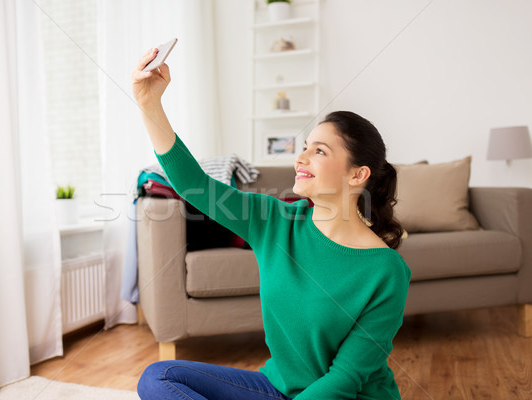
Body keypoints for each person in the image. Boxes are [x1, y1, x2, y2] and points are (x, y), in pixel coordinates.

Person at [132, 47, 411, 400]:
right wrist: (148, 103)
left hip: (342, 397)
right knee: (161, 376)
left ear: (358, 174)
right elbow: (195, 187)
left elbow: (345, 378)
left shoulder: (386, 271)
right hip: (278, 388)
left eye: (319, 151)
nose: (301, 157)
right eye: (305, 146)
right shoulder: (275, 221)